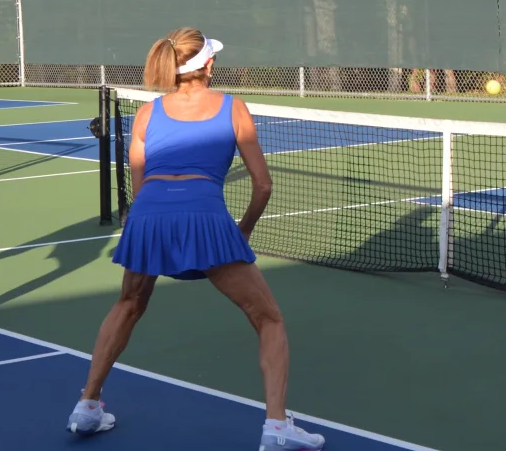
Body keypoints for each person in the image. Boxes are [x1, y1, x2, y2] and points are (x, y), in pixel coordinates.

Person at [65, 28, 324, 451]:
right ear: (208, 64)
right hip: (204, 217)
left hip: (148, 216)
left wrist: (152, 225)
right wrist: (242, 233)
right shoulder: (233, 107)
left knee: (128, 304)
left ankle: (86, 407)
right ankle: (277, 427)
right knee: (268, 319)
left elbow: (139, 187)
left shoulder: (146, 114)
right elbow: (263, 186)